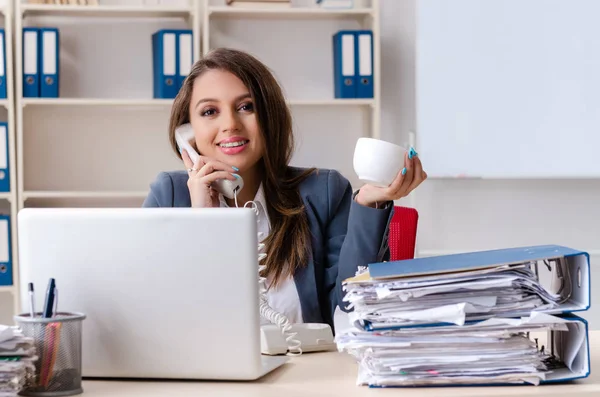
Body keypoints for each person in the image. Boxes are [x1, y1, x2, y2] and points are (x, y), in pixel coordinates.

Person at [143, 48, 427, 331]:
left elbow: (351, 305)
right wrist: (203, 221)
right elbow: (154, 314)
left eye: (246, 107)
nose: (230, 124)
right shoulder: (169, 195)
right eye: (209, 112)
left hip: (307, 371)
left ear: (270, 116)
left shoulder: (323, 192)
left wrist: (367, 204)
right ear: (187, 132)